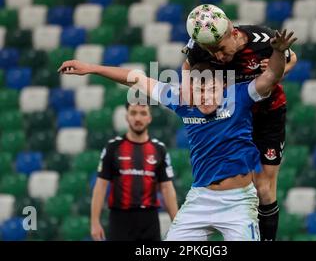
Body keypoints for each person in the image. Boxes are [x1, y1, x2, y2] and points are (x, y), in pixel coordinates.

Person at [58, 28, 296, 241]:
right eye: (199, 88)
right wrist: (91, 69)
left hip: (238, 202)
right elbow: (136, 78)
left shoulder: (239, 96)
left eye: (210, 87)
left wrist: (278, 52)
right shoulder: (183, 102)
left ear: (223, 86)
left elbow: (270, 77)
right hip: (200, 199)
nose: (204, 95)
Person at [182, 4, 298, 241]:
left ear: (233, 32)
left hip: (267, 114)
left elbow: (292, 57)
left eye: (222, 49)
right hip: (232, 118)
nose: (219, 57)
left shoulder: (263, 40)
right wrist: (192, 90)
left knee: (264, 188)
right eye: (212, 51)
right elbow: (188, 67)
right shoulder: (200, 48)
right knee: (240, 186)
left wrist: (276, 71)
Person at [90, 102, 178, 241]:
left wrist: (177, 224)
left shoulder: (159, 149)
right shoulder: (113, 147)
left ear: (149, 118)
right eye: (133, 113)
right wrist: (94, 222)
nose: (138, 118)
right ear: (127, 116)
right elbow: (100, 186)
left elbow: (167, 188)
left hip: (149, 220)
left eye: (143, 113)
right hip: (120, 219)